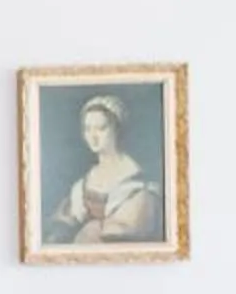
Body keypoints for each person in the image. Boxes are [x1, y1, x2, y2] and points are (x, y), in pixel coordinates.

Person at [48, 93, 159, 243]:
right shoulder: (84, 182)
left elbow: (130, 233)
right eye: (88, 129)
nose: (93, 136)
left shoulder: (137, 182)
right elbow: (65, 221)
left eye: (101, 128)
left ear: (117, 129)